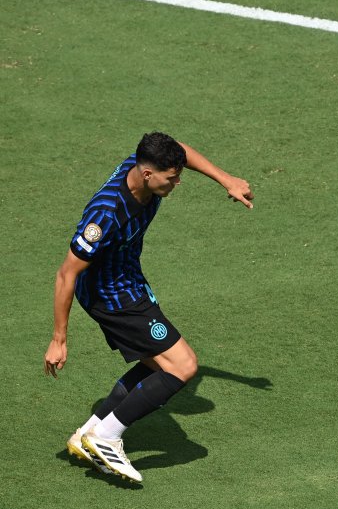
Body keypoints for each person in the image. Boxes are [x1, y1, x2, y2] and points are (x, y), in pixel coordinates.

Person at [44, 132, 253, 483]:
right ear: (147, 175)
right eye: (171, 178)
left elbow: (181, 151)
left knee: (157, 360)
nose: (177, 182)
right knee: (183, 365)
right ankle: (106, 436)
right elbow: (66, 274)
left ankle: (89, 432)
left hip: (129, 281)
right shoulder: (106, 215)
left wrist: (226, 180)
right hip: (113, 297)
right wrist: (59, 338)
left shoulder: (147, 165)